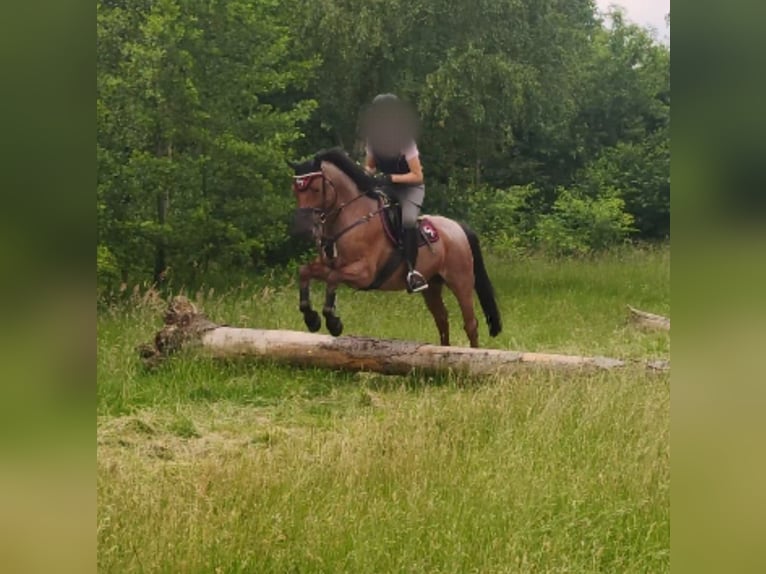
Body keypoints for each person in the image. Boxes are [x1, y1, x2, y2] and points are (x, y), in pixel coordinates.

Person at [363, 93, 428, 293]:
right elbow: (370, 166)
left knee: (408, 220)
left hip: (410, 188)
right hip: (387, 187)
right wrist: (363, 174)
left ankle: (411, 272)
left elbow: (417, 175)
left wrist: (391, 178)